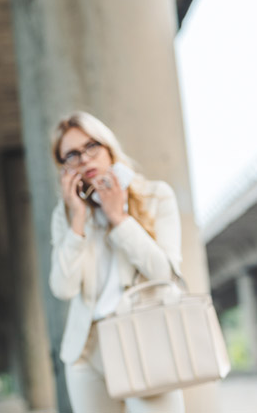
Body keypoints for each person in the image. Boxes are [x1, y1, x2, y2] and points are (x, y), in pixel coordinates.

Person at [49, 112, 185, 413]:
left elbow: (165, 274)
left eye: (91, 146)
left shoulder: (155, 196)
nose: (84, 158)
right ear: (63, 168)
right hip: (86, 350)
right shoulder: (67, 214)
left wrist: (118, 218)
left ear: (108, 147)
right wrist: (78, 221)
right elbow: (63, 287)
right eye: (71, 155)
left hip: (142, 339)